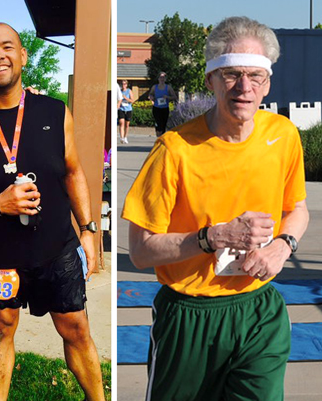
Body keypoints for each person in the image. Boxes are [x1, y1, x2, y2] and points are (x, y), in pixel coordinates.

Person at [123, 16, 309, 401]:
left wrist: (283, 245)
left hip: (258, 309)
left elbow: (299, 209)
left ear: (268, 83)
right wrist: (214, 237)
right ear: (210, 80)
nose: (244, 87)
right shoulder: (174, 150)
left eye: (256, 76)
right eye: (231, 74)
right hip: (189, 315)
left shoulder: (283, 136)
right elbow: (140, 252)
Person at [0, 23, 105, 401]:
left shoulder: (54, 111)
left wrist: (90, 229)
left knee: (76, 327)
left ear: (23, 55)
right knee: (1, 329)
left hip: (57, 248)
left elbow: (74, 171)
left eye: (7, 47)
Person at [148, 72, 177, 136]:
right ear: (158, 79)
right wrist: (151, 97)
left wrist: (167, 97)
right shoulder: (154, 87)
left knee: (163, 124)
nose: (162, 79)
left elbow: (174, 97)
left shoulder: (168, 87)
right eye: (161, 77)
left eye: (163, 77)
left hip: (165, 108)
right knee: (158, 123)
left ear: (165, 79)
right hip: (156, 108)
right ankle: (158, 134)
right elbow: (150, 94)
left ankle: (162, 137)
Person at [118, 80, 134, 144]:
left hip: (128, 109)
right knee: (121, 123)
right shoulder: (119, 91)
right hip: (121, 109)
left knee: (127, 125)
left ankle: (125, 137)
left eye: (124, 84)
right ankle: (121, 138)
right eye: (122, 84)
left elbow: (132, 100)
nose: (123, 85)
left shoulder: (129, 91)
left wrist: (125, 98)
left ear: (126, 85)